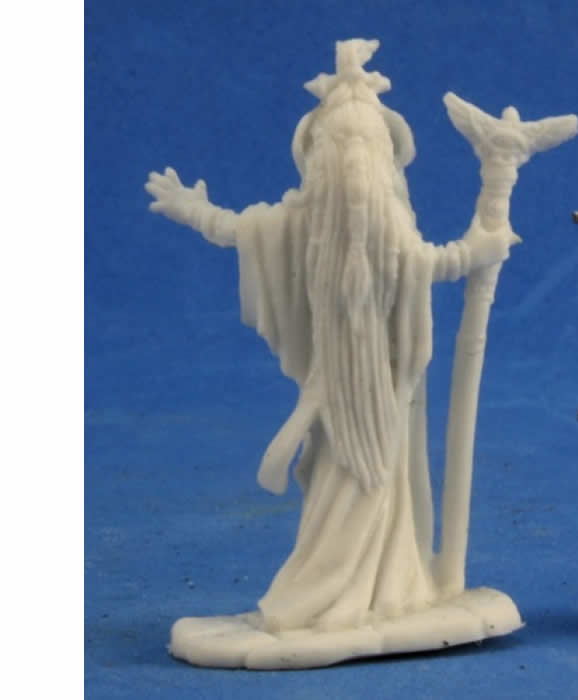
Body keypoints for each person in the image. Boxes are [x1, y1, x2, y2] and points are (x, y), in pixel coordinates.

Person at [146, 39, 512, 633]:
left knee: (371, 485)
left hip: (382, 391)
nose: (352, 163)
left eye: (360, 146)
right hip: (344, 394)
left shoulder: (379, 229)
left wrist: (482, 246)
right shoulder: (309, 225)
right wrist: (190, 207)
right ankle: (328, 595)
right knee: (347, 483)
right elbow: (242, 229)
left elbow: (428, 262)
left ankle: (383, 590)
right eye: (342, 146)